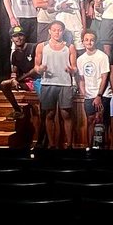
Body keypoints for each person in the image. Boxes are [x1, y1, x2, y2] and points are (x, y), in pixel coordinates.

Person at [26, 20, 78, 148]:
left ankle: (69, 145)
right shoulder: (42, 46)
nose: (56, 32)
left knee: (66, 113)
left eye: (59, 30)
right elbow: (36, 67)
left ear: (63, 31)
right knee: (49, 114)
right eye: (54, 30)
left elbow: (75, 67)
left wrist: (71, 70)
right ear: (49, 31)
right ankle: (52, 144)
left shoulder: (69, 47)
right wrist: (40, 69)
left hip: (65, 84)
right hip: (48, 83)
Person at [77, 29, 111, 147]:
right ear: (82, 42)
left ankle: (102, 147)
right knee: (90, 121)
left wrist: (99, 96)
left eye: (91, 40)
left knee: (101, 120)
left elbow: (105, 77)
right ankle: (89, 147)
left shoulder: (102, 56)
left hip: (102, 94)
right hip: (89, 95)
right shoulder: (80, 59)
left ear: (95, 41)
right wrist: (83, 92)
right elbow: (81, 78)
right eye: (86, 40)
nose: (89, 42)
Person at [0, 25, 36, 135]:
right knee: (4, 84)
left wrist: (19, 79)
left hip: (37, 81)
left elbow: (36, 70)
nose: (18, 38)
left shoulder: (33, 47)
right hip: (25, 82)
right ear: (12, 39)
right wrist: (14, 79)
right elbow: (14, 71)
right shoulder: (14, 54)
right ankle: (17, 109)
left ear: (24, 36)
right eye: (15, 36)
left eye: (20, 35)